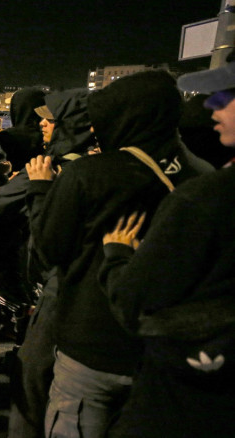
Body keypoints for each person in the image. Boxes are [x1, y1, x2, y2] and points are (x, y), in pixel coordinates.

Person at [26, 71, 212, 438]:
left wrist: (40, 192)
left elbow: (48, 249)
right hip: (163, 350)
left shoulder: (88, 174)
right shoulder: (204, 176)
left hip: (92, 345)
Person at [88, 58, 235, 438]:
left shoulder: (205, 199)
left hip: (187, 394)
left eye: (226, 95)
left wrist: (117, 254)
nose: (211, 105)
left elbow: (133, 299)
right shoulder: (203, 173)